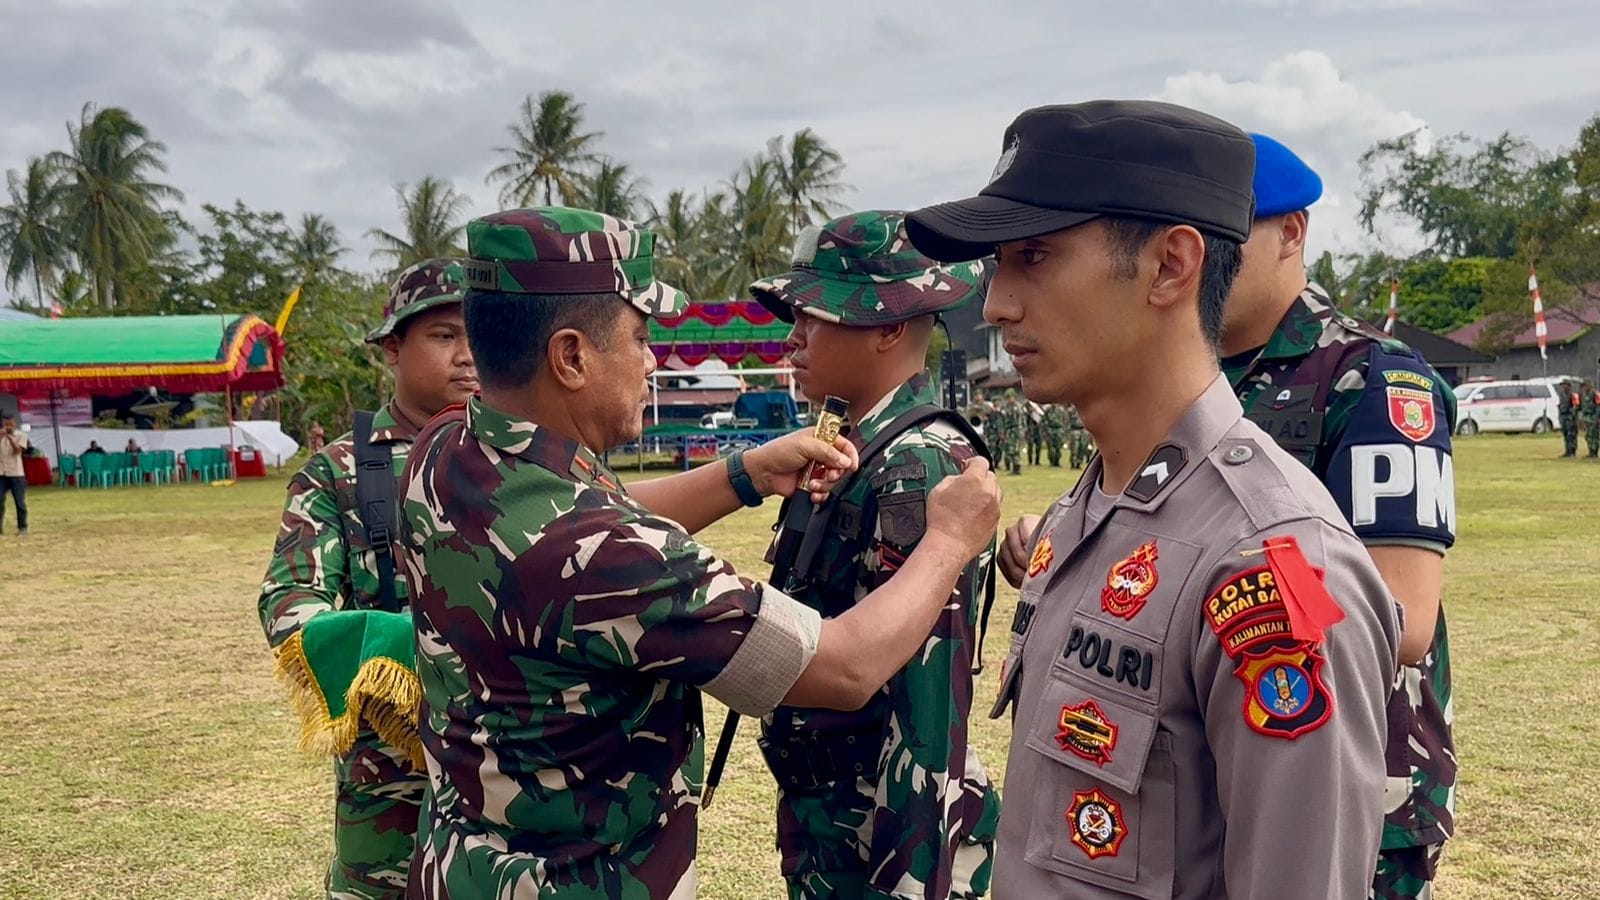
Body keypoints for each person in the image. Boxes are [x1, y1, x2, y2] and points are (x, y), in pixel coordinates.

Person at [399, 206, 1002, 900]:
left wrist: (744, 474)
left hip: (457, 866)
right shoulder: (615, 557)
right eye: (640, 337)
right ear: (570, 357)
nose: (652, 361)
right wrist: (951, 541)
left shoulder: (442, 449)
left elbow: (572, 520)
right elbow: (845, 667)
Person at [907, 99, 1401, 898]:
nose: (995, 303)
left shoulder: (1271, 555)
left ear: (1171, 265)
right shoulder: (1085, 513)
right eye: (1000, 264)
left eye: (1033, 256)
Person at [1218, 133, 1457, 900]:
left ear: (1292, 234)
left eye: (1228, 237)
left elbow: (1402, 617)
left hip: (1357, 778)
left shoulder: (1376, 380)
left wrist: (1209, 584)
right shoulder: (1195, 382)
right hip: (1226, 759)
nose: (1197, 263)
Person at [747, 210, 1001, 900]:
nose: (792, 338)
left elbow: (928, 712)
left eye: (815, 317)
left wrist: (912, 879)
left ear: (890, 326)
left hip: (882, 832)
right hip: (833, 815)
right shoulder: (854, 447)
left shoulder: (918, 466)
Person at [257, 258, 476, 899]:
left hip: (511, 772)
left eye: (480, 335)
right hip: (390, 779)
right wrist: (405, 657)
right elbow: (290, 605)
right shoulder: (338, 472)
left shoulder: (524, 455)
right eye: (443, 335)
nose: (468, 355)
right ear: (391, 348)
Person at [1, 415, 29, 535]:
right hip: (1, 473)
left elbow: (18, 451)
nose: (8, 427)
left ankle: (22, 527)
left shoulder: (21, 435)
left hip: (16, 473)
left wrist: (11, 438)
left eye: (10, 425)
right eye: (5, 425)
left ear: (14, 424)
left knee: (19, 501)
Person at [1559, 379, 1580, 457]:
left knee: (1571, 435)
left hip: (1570, 417)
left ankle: (1572, 452)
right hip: (1563, 416)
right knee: (1565, 434)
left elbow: (1576, 406)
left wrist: (1573, 417)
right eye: (1563, 385)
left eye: (1565, 385)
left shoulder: (1573, 394)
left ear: (1569, 385)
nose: (1564, 386)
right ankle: (1567, 451)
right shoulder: (1561, 394)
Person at [1582, 379, 1599, 459]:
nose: (1585, 387)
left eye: (1586, 385)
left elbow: (1598, 406)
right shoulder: (1584, 395)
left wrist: (1596, 417)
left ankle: (1594, 452)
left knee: (1594, 436)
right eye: (1584, 386)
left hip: (1593, 417)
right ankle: (1590, 452)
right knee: (1588, 435)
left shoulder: (1595, 394)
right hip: (1587, 417)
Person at [1025, 401, 1045, 466]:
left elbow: (1043, 417)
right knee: (1030, 446)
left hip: (1038, 431)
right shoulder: (1028, 407)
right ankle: (1030, 461)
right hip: (1030, 431)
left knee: (1038, 446)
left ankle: (1037, 461)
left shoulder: (1039, 410)